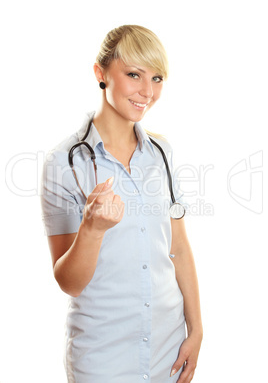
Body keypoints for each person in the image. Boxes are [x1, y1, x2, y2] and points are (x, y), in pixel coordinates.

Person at [41, 25, 203, 383]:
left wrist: (196, 329)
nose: (148, 92)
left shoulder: (162, 153)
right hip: (103, 356)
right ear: (101, 74)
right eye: (134, 75)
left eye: (157, 78)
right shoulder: (65, 163)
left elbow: (178, 247)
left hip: (168, 348)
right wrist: (92, 230)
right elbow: (69, 282)